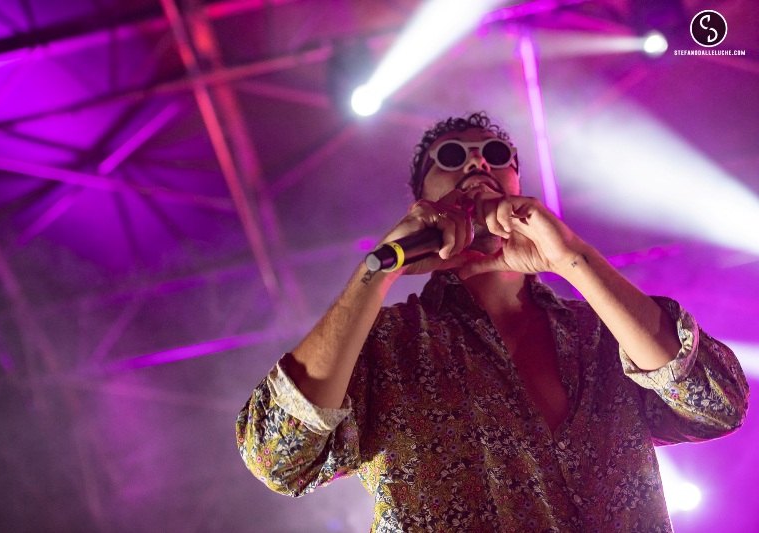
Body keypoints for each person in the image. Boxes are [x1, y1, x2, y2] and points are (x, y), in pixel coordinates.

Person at [236, 112, 749, 532]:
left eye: (497, 155)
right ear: (422, 201)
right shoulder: (388, 346)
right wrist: (379, 269)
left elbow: (718, 403)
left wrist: (570, 258)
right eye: (451, 157)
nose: (478, 162)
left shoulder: (603, 333)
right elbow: (276, 455)